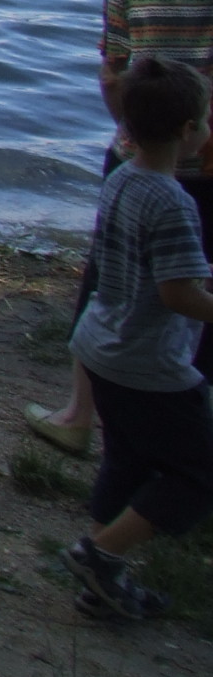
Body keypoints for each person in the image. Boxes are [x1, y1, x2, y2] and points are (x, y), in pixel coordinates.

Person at [29, 0, 213, 456]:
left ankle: (79, 415)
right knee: (200, 279)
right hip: (209, 150)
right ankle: (193, 411)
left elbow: (113, 68)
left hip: (142, 150)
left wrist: (135, 131)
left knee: (110, 280)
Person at [58, 56, 213, 622]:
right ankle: (99, 555)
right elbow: (178, 295)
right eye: (207, 117)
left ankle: (104, 581)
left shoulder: (121, 178)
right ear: (188, 131)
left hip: (102, 346)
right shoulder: (174, 202)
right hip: (151, 365)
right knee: (198, 475)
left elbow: (136, 263)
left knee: (125, 462)